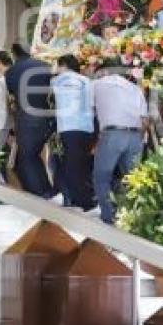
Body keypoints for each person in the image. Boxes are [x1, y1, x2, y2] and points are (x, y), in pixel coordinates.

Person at [92, 64, 148, 223]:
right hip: (135, 135)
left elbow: (86, 108)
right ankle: (134, 217)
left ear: (103, 72)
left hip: (112, 135)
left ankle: (109, 216)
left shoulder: (97, 84)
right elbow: (145, 120)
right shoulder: (135, 89)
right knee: (133, 179)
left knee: (101, 177)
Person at [4, 43, 55, 198]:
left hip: (27, 118)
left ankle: (41, 194)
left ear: (14, 54)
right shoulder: (46, 66)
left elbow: (12, 95)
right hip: (47, 116)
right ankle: (46, 190)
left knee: (26, 157)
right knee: (32, 155)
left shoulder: (12, 71)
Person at [51, 54, 96, 210]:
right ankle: (82, 199)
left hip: (68, 128)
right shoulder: (87, 81)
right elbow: (92, 104)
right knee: (82, 165)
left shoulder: (57, 80)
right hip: (87, 129)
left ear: (63, 65)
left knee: (71, 168)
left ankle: (87, 202)